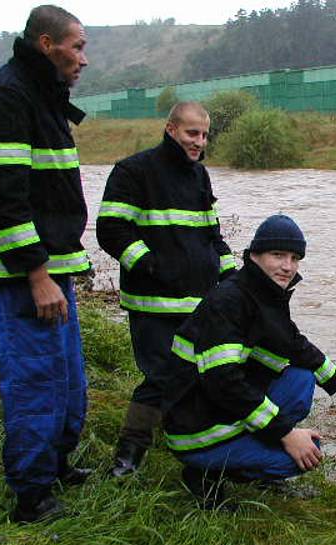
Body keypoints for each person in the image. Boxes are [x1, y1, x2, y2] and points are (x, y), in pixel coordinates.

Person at [0, 5, 91, 523]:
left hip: (49, 270)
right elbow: (4, 199)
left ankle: (56, 466)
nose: (83, 59)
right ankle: (31, 498)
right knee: (35, 380)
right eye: (77, 46)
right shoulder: (5, 99)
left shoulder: (39, 96)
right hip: (17, 277)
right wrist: (37, 275)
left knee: (67, 379)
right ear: (45, 44)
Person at [161, 214, 336, 507]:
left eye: (294, 258)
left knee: (302, 377)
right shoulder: (229, 301)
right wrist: (286, 434)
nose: (287, 266)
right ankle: (204, 474)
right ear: (254, 255)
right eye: (277, 255)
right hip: (194, 429)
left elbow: (298, 347)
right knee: (301, 456)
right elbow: (224, 383)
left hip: (212, 406)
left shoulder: (264, 294)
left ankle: (244, 453)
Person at [97, 101, 235, 477]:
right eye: (192, 133)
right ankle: (129, 453)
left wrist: (234, 278)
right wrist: (150, 265)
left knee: (201, 374)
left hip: (199, 302)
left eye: (205, 135)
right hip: (152, 302)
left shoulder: (200, 176)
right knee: (161, 377)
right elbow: (111, 230)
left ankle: (192, 446)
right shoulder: (133, 170)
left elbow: (213, 236)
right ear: (171, 129)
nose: (199, 141)